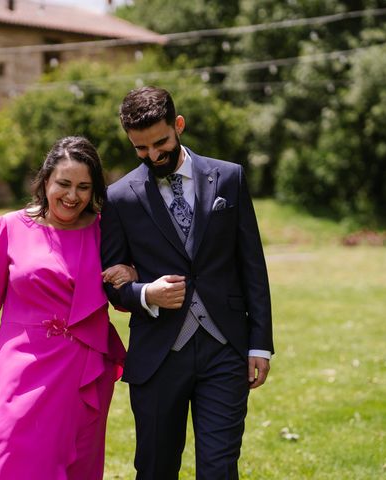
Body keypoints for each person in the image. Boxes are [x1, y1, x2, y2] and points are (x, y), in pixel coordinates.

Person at [100, 86, 274, 479]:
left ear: (178, 126)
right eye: (140, 148)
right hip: (158, 356)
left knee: (218, 469)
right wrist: (145, 292)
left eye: (160, 142)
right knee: (156, 469)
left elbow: (252, 266)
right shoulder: (119, 197)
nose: (153, 155)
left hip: (225, 348)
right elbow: (111, 283)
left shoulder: (229, 178)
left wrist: (260, 344)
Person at [0, 136, 135, 480]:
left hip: (82, 370)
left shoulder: (104, 230)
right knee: (3, 452)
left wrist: (131, 273)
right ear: (46, 180)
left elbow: (123, 298)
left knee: (73, 462)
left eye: (83, 187)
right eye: (63, 184)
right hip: (20, 365)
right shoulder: (11, 226)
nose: (72, 195)